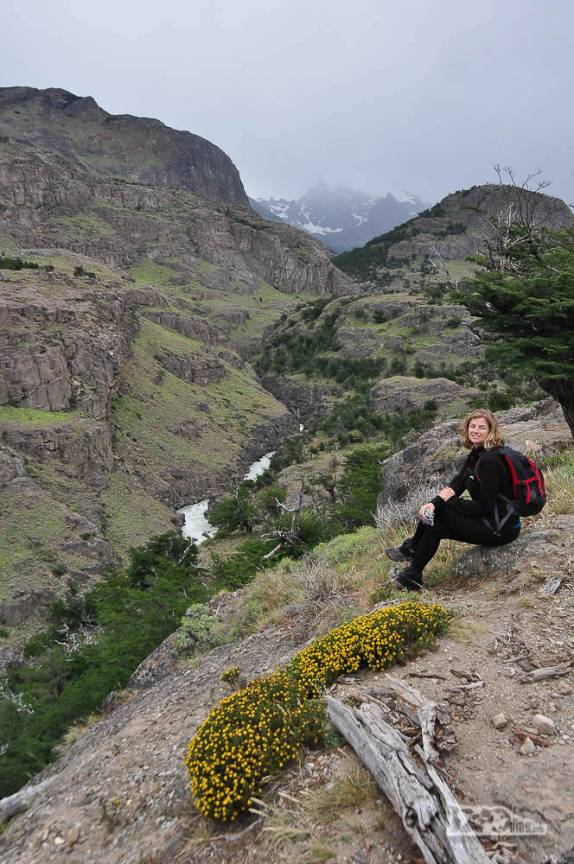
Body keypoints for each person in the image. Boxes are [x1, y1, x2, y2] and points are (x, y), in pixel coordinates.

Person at [385, 409, 521, 590]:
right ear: (467, 428)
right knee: (436, 524)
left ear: (491, 431)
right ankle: (412, 575)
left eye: (482, 427)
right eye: (472, 426)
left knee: (442, 513)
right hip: (491, 521)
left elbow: (484, 506)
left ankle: (411, 549)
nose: (475, 430)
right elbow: (458, 483)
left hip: (500, 529)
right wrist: (432, 504)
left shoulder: (490, 462)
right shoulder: (477, 454)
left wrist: (451, 503)